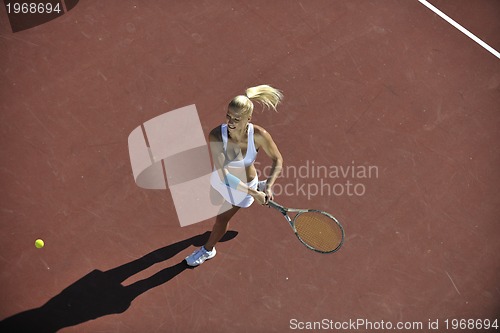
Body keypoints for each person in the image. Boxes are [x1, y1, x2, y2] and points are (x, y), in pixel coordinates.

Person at [185, 84, 284, 266]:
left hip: (244, 187)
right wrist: (256, 194)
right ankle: (257, 187)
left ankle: (207, 250)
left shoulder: (259, 135)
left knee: (221, 218)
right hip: (223, 179)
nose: (231, 122)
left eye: (237, 118)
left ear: (249, 118)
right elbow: (224, 175)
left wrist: (269, 186)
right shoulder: (216, 135)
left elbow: (278, 160)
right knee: (214, 201)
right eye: (228, 116)